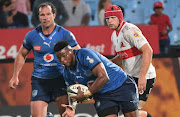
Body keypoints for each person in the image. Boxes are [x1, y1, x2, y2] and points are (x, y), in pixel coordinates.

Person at [9, 2, 80, 117]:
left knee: (67, 115)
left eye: (48, 14)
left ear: (54, 15)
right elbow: (22, 55)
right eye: (42, 15)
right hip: (39, 81)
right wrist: (15, 75)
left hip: (60, 79)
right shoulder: (31, 36)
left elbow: (78, 55)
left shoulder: (65, 34)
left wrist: (77, 76)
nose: (45, 18)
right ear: (38, 17)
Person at [54, 40, 139, 117]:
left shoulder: (84, 55)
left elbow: (104, 77)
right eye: (59, 58)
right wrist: (72, 107)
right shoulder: (67, 73)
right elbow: (73, 92)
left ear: (71, 52)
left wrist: (87, 94)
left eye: (64, 56)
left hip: (121, 85)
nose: (62, 60)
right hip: (103, 96)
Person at [104, 5, 156, 117]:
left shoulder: (130, 30)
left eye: (113, 17)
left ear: (119, 17)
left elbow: (148, 50)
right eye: (107, 19)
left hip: (144, 77)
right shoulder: (114, 35)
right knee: (130, 114)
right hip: (130, 78)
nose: (109, 21)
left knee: (134, 113)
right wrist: (104, 64)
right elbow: (122, 57)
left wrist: (143, 76)